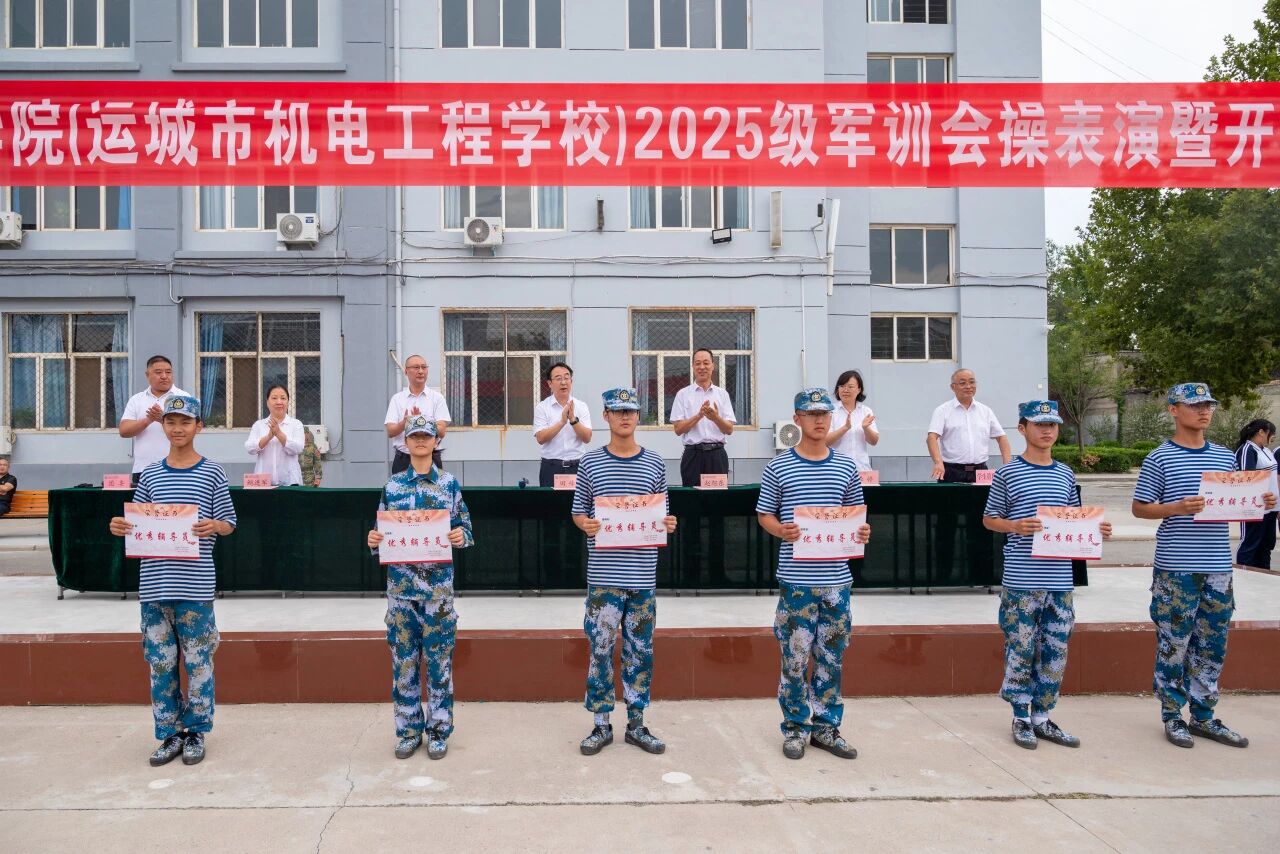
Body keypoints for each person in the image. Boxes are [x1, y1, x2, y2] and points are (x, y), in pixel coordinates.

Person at [1131, 384, 1277, 749]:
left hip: (1218, 566)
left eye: (1208, 405)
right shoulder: (1160, 458)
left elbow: (1238, 501)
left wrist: (1260, 500)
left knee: (1212, 643)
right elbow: (1140, 507)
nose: (1204, 411)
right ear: (1173, 409)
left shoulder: (1224, 457)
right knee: (1174, 644)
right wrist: (1176, 507)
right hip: (1176, 567)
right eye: (1195, 405)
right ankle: (1172, 715)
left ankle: (1204, 716)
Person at [108, 395, 236, 767]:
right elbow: (139, 521)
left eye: (185, 422)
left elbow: (229, 523)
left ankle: (195, 732)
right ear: (162, 426)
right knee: (160, 665)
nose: (178, 429)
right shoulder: (150, 475)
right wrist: (121, 526)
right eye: (171, 422)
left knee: (198, 663)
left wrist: (214, 526)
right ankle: (169, 733)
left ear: (199, 427)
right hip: (154, 586)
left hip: (194, 586)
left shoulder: (212, 473)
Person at [983, 400, 1112, 750]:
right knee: (1021, 648)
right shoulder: (1008, 473)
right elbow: (989, 519)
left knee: (1055, 649)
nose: (1047, 430)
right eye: (1039, 424)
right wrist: (1015, 526)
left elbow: (1072, 518)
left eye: (1052, 425)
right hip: (1022, 579)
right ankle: (1020, 717)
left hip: (1059, 579)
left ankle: (1043, 716)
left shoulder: (1065, 473)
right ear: (1022, 428)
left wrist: (1096, 529)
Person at [756, 388, 870, 761]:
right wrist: (781, 530)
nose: (819, 420)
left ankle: (826, 728)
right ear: (797, 419)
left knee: (831, 656)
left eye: (824, 414)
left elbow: (855, 514)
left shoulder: (845, 467)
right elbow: (765, 514)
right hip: (797, 580)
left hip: (837, 580)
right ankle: (794, 728)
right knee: (795, 657)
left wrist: (861, 532)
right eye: (811, 414)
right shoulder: (779, 467)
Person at [572, 387, 677, 757]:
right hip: (604, 577)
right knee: (600, 650)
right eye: (617, 411)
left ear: (638, 416)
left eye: (631, 411)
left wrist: (668, 523)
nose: (625, 417)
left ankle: (636, 723)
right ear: (606, 416)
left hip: (642, 576)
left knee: (640, 652)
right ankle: (601, 724)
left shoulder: (655, 463)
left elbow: (662, 512)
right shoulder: (589, 463)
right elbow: (578, 511)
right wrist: (585, 524)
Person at [367, 415, 473, 761]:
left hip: (437, 593)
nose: (421, 440)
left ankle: (439, 731)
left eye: (427, 435)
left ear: (435, 441)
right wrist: (373, 540)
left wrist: (460, 535)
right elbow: (380, 533)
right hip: (401, 593)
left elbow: (467, 529)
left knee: (440, 664)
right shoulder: (392, 486)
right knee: (404, 664)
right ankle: (409, 731)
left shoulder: (449, 484)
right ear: (406, 442)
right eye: (414, 436)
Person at [926, 369, 1011, 584]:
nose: (968, 386)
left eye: (972, 382)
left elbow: (1001, 438)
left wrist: (1008, 466)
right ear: (953, 387)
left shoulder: (985, 411)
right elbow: (932, 437)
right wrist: (938, 462)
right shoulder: (943, 410)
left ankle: (980, 575)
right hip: (951, 471)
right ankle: (942, 576)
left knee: (981, 525)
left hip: (981, 473)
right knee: (946, 526)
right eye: (962, 382)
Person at [118, 355, 191, 486]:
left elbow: (190, 429)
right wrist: (148, 420)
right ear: (147, 375)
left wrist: (163, 419)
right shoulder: (137, 399)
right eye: (158, 372)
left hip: (177, 467)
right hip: (143, 468)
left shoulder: (183, 397)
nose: (164, 376)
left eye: (168, 372)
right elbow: (124, 431)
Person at [669, 348, 736, 487]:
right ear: (693, 366)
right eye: (698, 363)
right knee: (692, 498)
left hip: (717, 455)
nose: (702, 367)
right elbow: (678, 429)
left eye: (706, 363)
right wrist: (699, 415)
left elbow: (729, 430)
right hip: (693, 456)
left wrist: (715, 418)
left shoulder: (722, 394)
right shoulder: (683, 394)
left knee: (717, 497)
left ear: (713, 365)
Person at [385, 354, 451, 474]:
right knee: (401, 487)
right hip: (404, 459)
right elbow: (390, 431)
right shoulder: (397, 399)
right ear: (406, 371)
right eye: (416, 367)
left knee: (433, 487)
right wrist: (405, 423)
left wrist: (422, 421)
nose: (421, 371)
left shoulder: (437, 398)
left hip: (430, 459)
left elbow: (441, 432)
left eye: (424, 367)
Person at [533, 362, 593, 487]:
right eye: (558, 378)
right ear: (550, 383)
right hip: (551, 467)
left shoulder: (581, 406)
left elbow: (587, 438)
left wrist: (573, 420)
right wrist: (561, 422)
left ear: (571, 381)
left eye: (566, 378)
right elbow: (540, 438)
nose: (563, 382)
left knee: (577, 500)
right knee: (549, 500)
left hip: (577, 467)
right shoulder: (542, 407)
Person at [1234, 418, 1277, 572]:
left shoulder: (1266, 450)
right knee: (1250, 545)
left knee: (1266, 545)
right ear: (1261, 432)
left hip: (1271, 508)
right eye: (1272, 434)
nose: (1273, 438)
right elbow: (1246, 479)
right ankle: (1245, 577)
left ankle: (1263, 576)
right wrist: (1256, 504)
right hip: (1255, 508)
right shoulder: (1247, 449)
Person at [243, 385, 305, 486]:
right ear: (267, 402)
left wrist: (279, 433)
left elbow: (298, 448)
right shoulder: (259, 425)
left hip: (290, 483)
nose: (279, 402)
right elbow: (249, 448)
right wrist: (268, 437)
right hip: (263, 484)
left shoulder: (296, 424)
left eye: (283, 398)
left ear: (288, 402)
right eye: (274, 398)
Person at [826, 369, 879, 472]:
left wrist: (866, 428)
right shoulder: (830, 411)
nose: (845, 390)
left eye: (850, 387)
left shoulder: (866, 411)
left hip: (862, 469)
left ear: (859, 390)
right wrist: (845, 428)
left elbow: (874, 441)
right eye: (842, 386)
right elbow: (825, 441)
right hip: (837, 470)